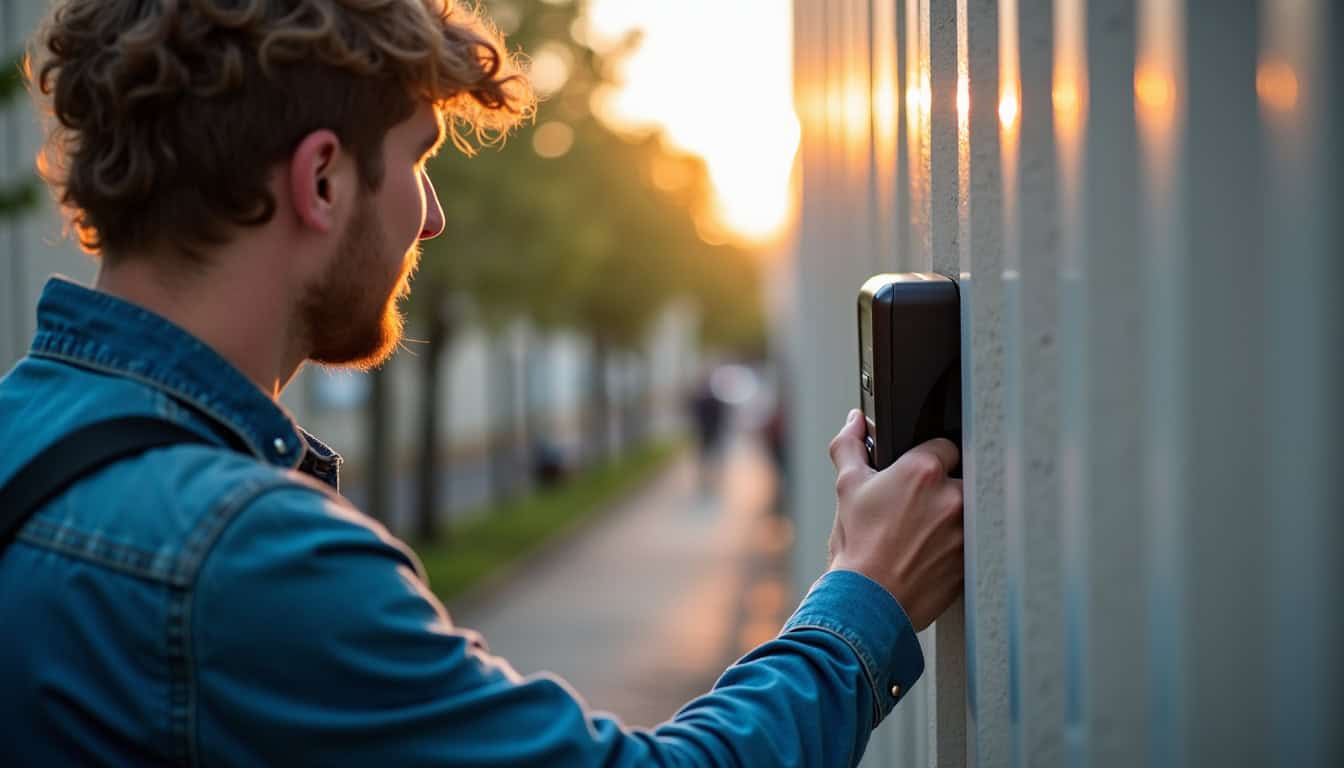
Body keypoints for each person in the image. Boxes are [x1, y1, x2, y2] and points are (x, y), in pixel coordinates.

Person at [0, 1, 964, 765]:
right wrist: (863, 599)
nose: (433, 220)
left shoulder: (23, 438)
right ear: (323, 182)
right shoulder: (244, 560)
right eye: (418, 159)